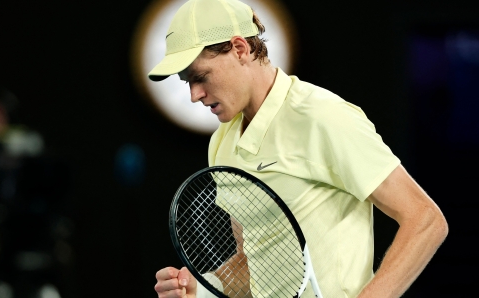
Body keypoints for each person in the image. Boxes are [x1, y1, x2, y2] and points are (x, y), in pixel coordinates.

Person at [148, 0, 448, 297]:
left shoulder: (324, 117)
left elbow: (425, 219)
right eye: (186, 82)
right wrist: (204, 288)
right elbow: (254, 263)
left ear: (240, 49)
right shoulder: (221, 143)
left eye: (200, 77)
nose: (194, 95)